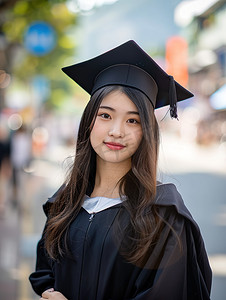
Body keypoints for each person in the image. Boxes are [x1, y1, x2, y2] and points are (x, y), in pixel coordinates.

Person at [29, 40, 212, 300]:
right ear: (89, 122)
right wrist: (49, 292)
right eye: (105, 115)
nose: (117, 131)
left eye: (133, 120)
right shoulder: (65, 203)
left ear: (147, 132)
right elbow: (46, 269)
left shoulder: (164, 216)